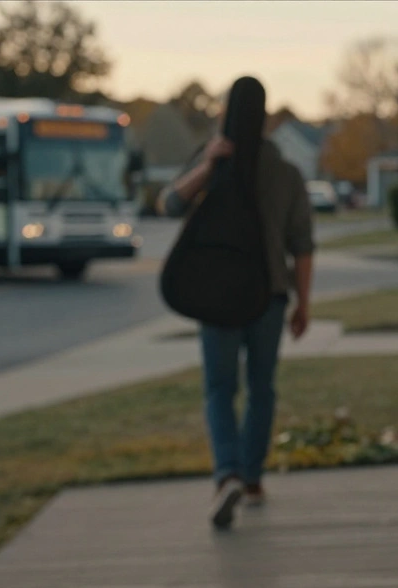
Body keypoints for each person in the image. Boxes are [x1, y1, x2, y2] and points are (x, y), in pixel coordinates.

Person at [157, 76, 315, 529]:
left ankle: (225, 472)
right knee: (262, 387)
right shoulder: (285, 172)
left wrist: (207, 167)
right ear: (265, 118)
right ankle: (251, 480)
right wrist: (303, 304)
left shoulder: (213, 157)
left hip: (216, 296)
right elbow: (302, 245)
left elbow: (169, 203)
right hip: (268, 296)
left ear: (227, 111)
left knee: (219, 389)